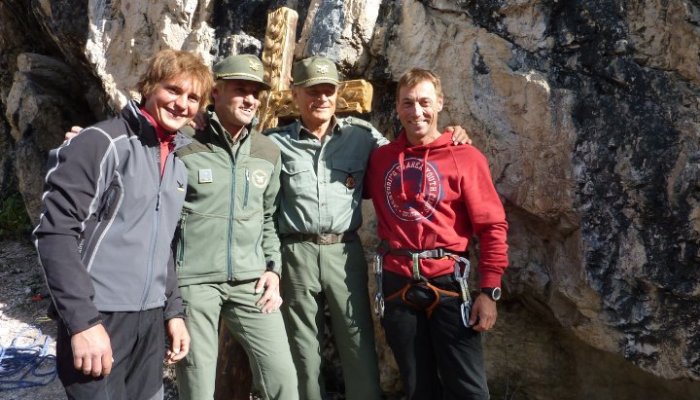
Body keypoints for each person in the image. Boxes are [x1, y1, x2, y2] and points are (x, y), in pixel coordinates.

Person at [264, 56, 471, 400]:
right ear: (296, 95)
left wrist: (452, 136)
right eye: (312, 91)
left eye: (328, 91)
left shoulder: (361, 137)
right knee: (301, 345)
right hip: (294, 251)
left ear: (337, 95)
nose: (321, 99)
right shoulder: (275, 143)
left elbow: (405, 153)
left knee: (357, 336)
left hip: (344, 251)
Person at [33, 49, 213, 400]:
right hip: (99, 315)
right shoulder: (101, 143)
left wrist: (173, 313)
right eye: (173, 90)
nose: (181, 104)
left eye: (193, 97)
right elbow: (54, 234)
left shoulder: (178, 163)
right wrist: (83, 322)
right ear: (148, 87)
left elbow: (162, 247)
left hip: (148, 320)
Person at [364, 68, 509, 400]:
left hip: (449, 284)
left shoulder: (465, 157)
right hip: (397, 283)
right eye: (408, 103)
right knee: (417, 388)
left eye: (425, 102)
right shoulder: (381, 160)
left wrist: (489, 291)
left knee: (469, 389)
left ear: (440, 103)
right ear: (398, 108)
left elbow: (492, 226)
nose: (417, 112)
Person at [173, 54, 298, 400]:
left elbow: (269, 217)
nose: (250, 100)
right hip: (195, 282)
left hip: (251, 281)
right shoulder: (183, 142)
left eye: (255, 93)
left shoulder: (267, 151)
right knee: (197, 385)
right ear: (216, 92)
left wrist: (273, 269)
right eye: (240, 90)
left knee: (283, 378)